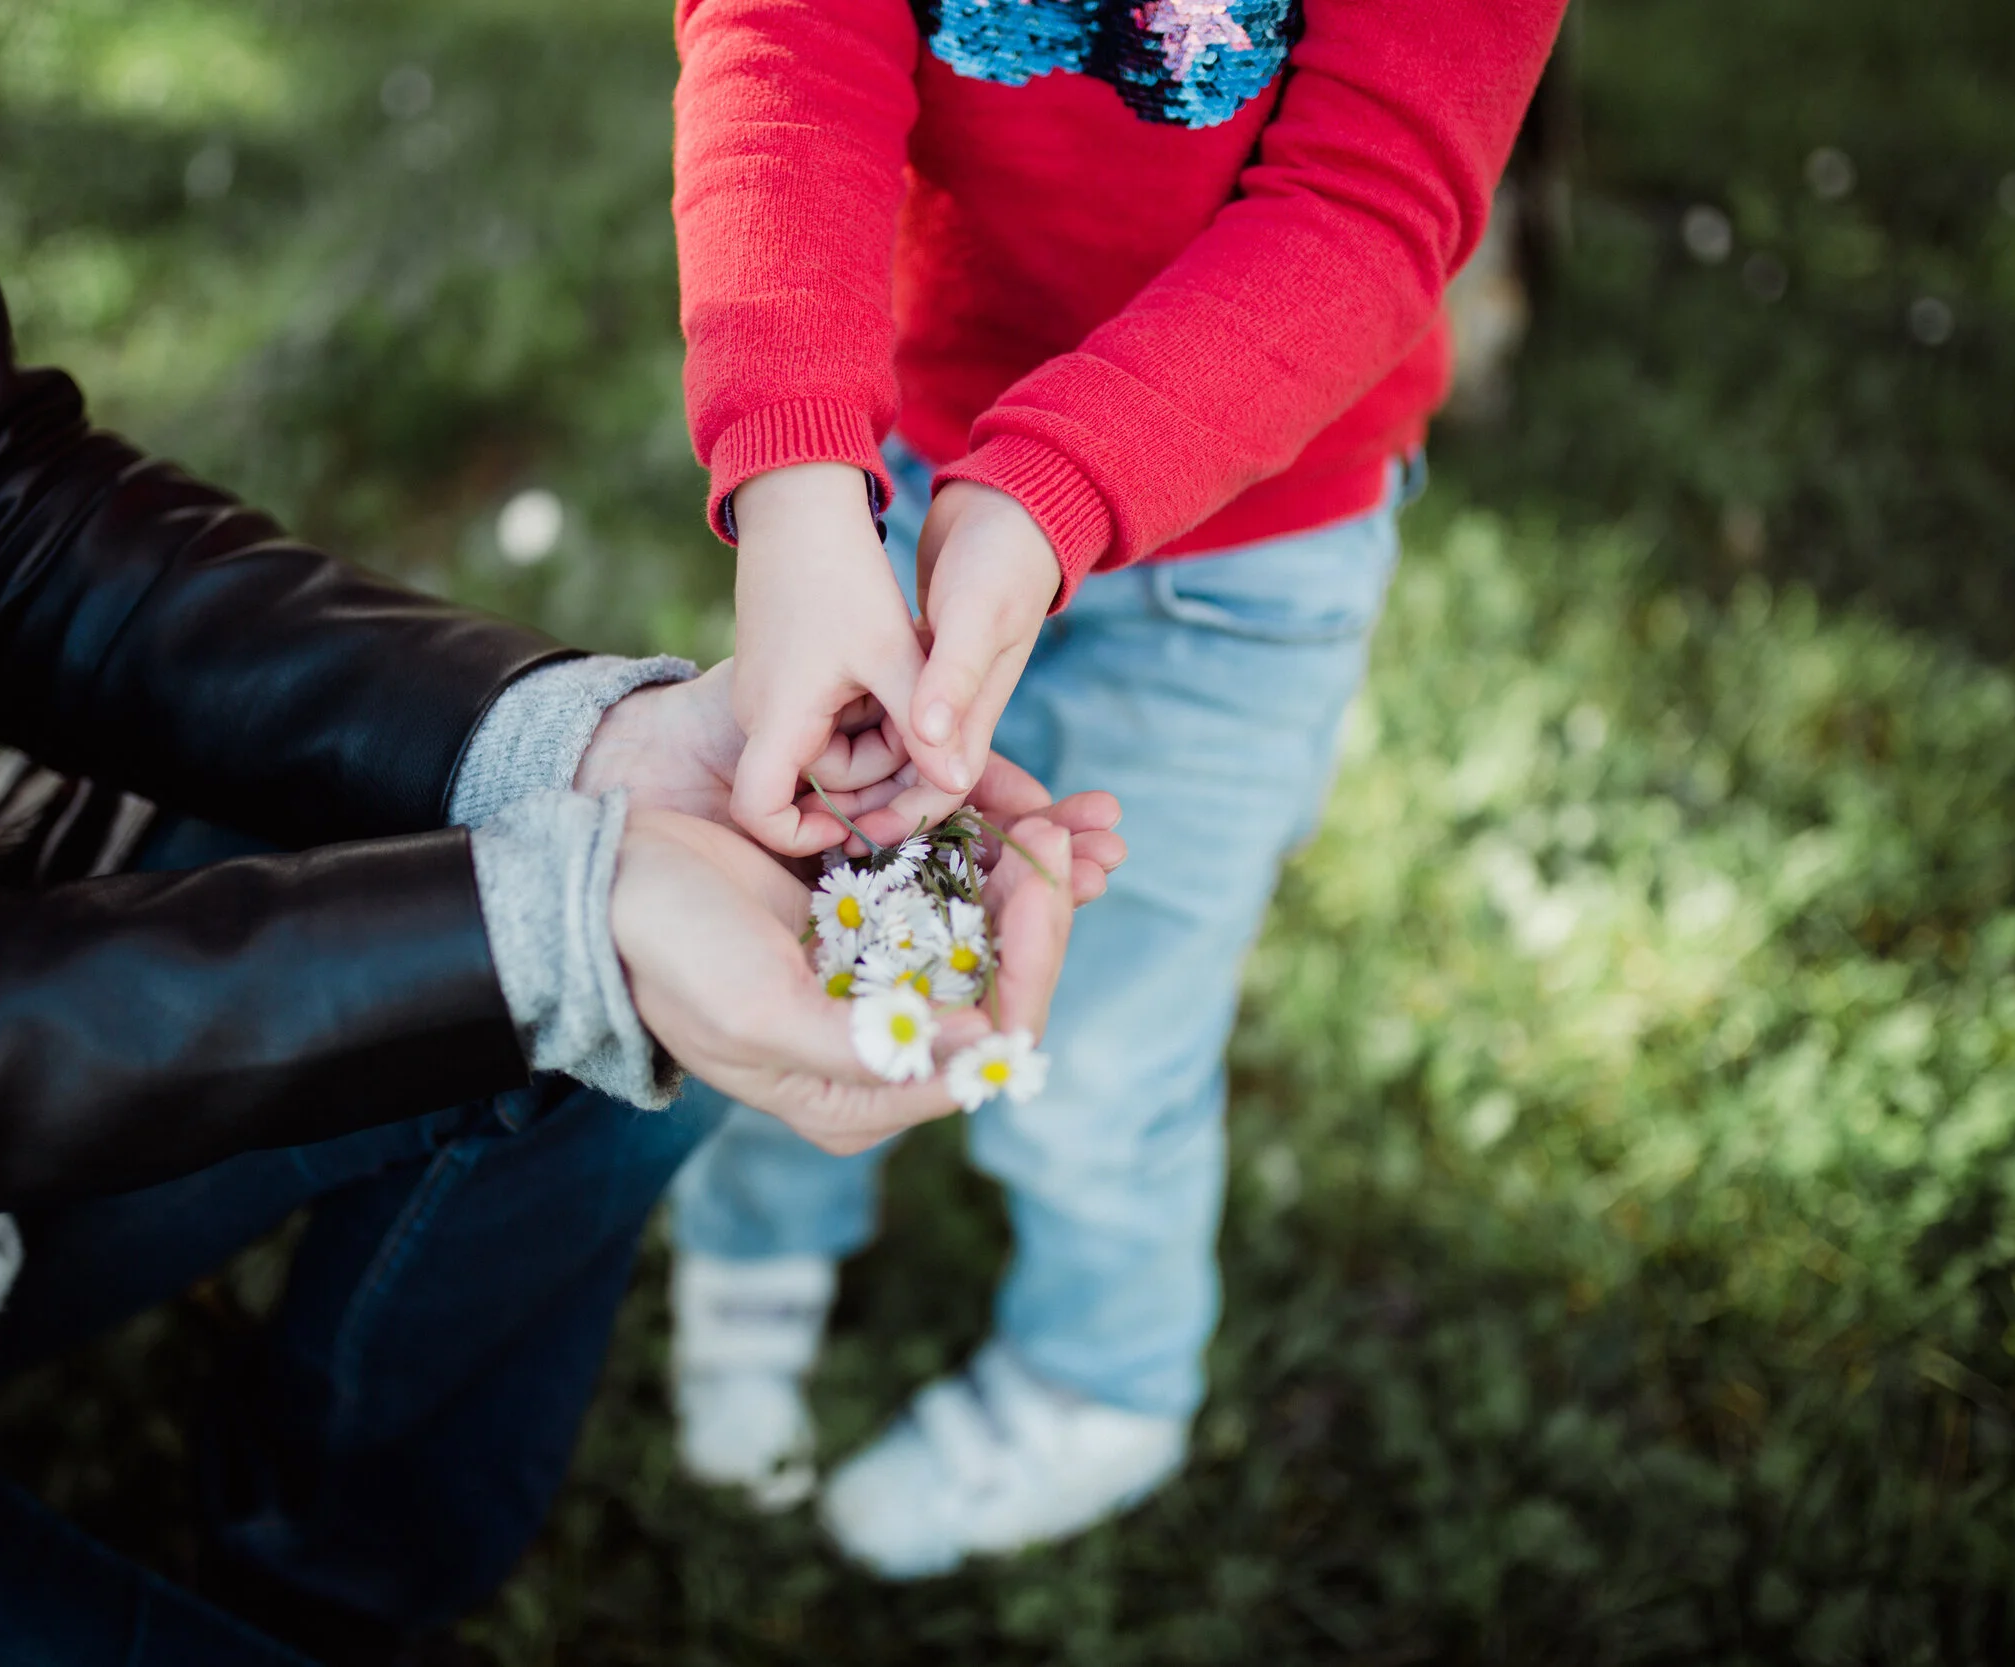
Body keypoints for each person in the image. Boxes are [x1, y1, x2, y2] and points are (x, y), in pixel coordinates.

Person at [0, 4, 1121, 1664]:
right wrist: (539, 924)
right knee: (581, 940)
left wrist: (593, 754)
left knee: (609, 972)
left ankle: (340, 1581)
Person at [663, 0, 1570, 1576]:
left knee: (1104, 1026)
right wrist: (803, 478)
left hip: (1246, 547)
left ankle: (1102, 1378)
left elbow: (1366, 200)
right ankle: (755, 1244)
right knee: (788, 896)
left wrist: (1063, 485)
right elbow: (787, 38)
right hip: (894, 467)